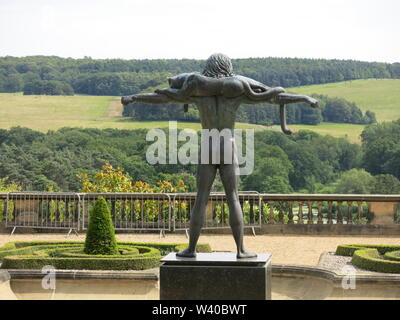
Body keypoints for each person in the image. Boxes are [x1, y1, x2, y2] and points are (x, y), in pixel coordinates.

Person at [121, 53, 316, 258]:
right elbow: (276, 97)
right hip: (227, 144)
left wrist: (134, 97)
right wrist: (304, 98)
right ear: (227, 67)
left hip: (207, 143)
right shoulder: (236, 91)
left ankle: (191, 248)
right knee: (233, 197)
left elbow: (161, 97)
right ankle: (240, 250)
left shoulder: (196, 91)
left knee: (201, 198)